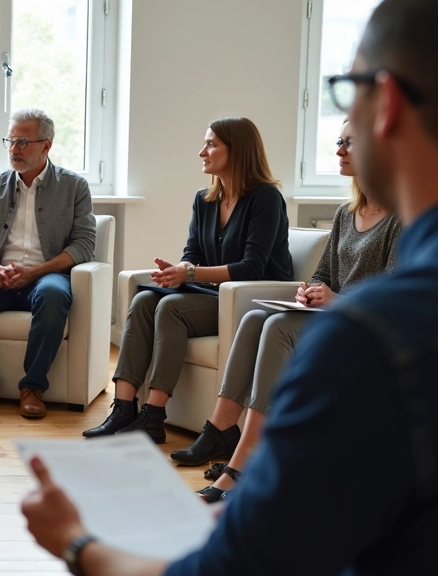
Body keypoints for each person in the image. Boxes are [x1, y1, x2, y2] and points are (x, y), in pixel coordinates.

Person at [1, 0, 438, 576]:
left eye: (346, 91)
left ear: (385, 103)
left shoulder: (374, 340)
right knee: (151, 299)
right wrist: (260, 511)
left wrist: (78, 542)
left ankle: (166, 422)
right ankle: (136, 410)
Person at [172, 120, 402, 505]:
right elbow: (324, 272)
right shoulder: (347, 213)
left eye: (349, 142)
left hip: (362, 325)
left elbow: (395, 292)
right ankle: (222, 425)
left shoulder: (400, 216)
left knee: (277, 325)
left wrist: (338, 300)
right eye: (338, 141)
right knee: (254, 318)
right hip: (331, 315)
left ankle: (245, 461)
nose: (339, 150)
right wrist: (309, 289)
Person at [84, 117, 292, 443]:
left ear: (237, 151)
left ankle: (153, 417)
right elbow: (193, 251)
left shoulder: (265, 198)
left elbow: (252, 267)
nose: (201, 152)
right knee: (144, 300)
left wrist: (190, 273)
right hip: (211, 294)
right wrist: (177, 270)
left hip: (249, 298)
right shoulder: (204, 199)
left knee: (172, 309)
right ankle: (123, 408)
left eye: (211, 144)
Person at [0, 108, 96, 419]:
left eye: (23, 142)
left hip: (44, 278)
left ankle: (32, 388)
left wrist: (35, 272)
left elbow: (84, 244)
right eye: (11, 141)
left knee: (54, 295)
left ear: (46, 145)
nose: (14, 149)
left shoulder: (74, 187)